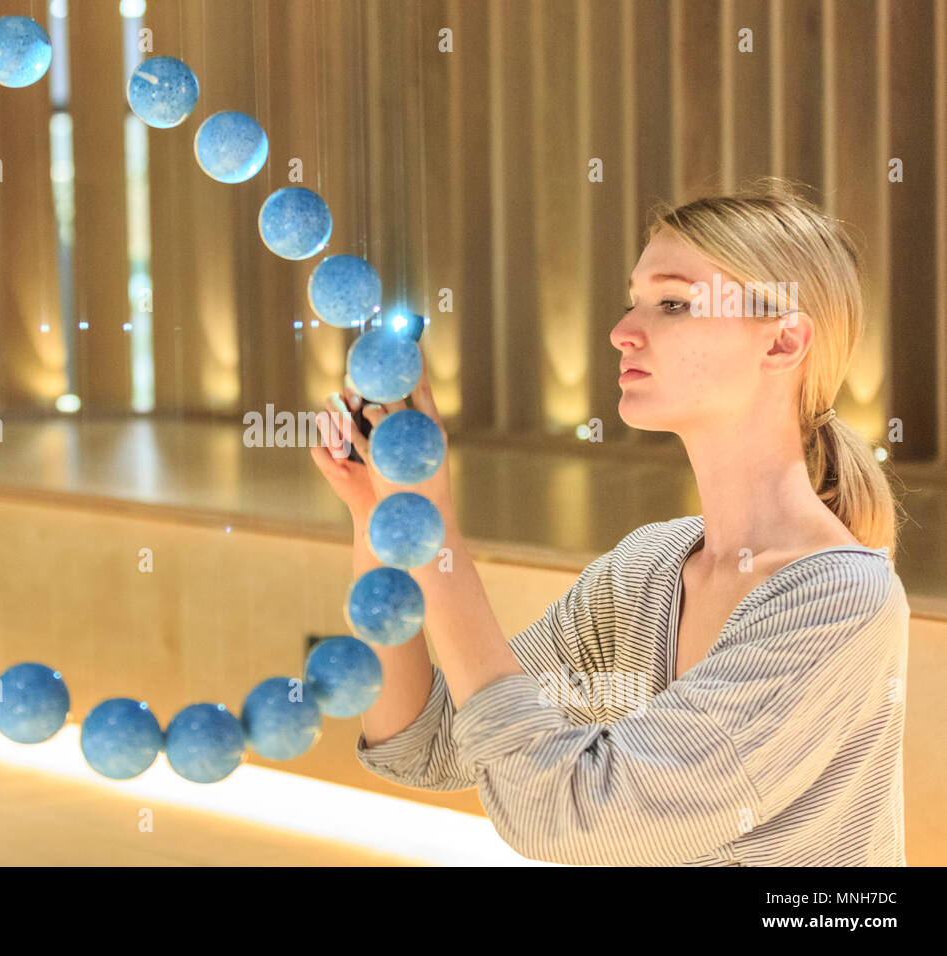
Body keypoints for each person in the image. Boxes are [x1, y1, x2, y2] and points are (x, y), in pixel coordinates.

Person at [310, 179, 910, 866]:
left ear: (782, 343)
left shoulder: (840, 604)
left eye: (674, 303)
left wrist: (436, 528)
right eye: (634, 301)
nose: (622, 331)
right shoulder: (645, 571)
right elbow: (428, 744)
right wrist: (380, 517)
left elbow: (575, 814)